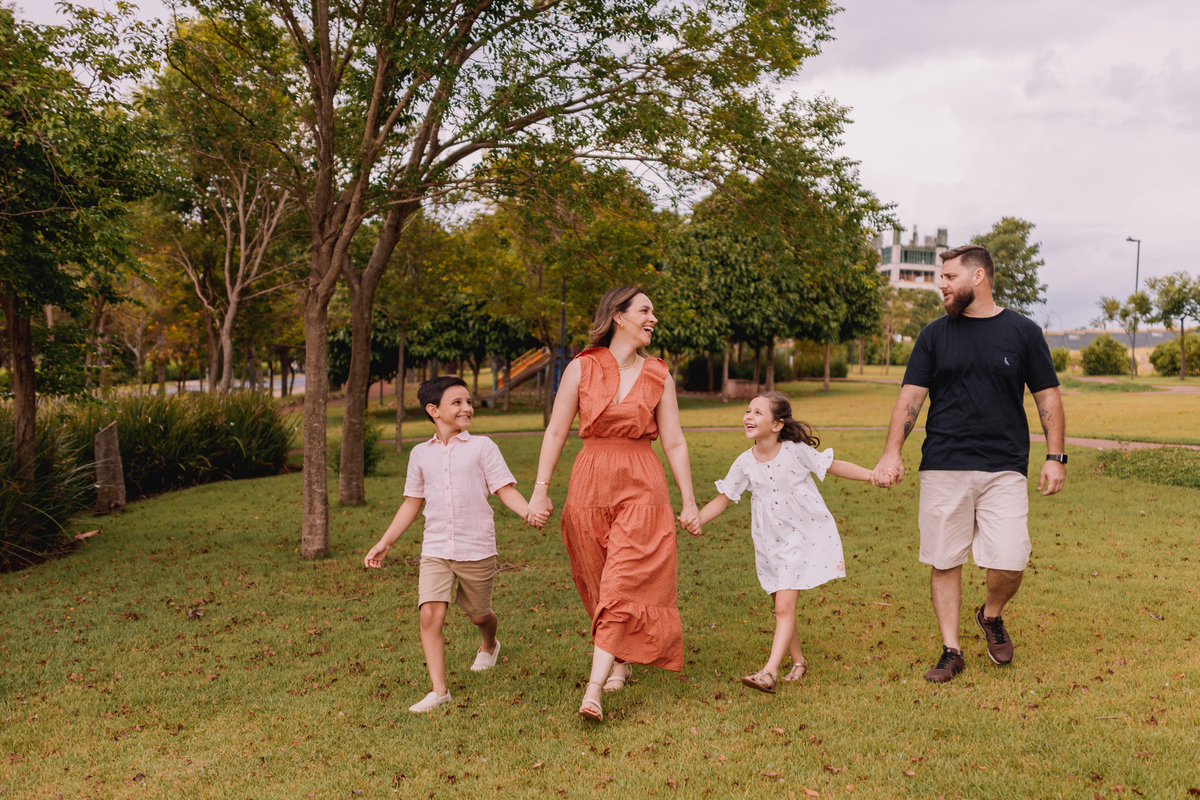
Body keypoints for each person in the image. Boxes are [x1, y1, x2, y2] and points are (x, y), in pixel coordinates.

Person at [872, 244, 1066, 683]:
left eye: (949, 276)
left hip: (1005, 466)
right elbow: (911, 398)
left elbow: (1047, 396)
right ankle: (951, 649)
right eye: (941, 277)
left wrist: (1055, 457)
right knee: (946, 559)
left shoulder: (1023, 333)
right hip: (944, 463)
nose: (941, 284)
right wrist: (891, 452)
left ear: (978, 277)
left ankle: (991, 614)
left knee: (1012, 560)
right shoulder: (934, 335)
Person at [527, 286, 702, 723]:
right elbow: (555, 432)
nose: (653, 318)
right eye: (645, 310)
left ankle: (593, 692)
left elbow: (675, 441)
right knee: (597, 580)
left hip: (642, 485)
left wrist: (690, 501)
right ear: (618, 316)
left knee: (623, 580)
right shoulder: (582, 368)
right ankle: (618, 658)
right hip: (589, 485)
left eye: (653, 312)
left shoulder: (659, 374)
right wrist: (540, 488)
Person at [364, 376, 536, 713]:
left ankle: (490, 644)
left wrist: (528, 511)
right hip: (436, 549)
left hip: (476, 548)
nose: (467, 408)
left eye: (468, 402)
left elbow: (504, 489)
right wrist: (385, 541)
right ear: (434, 410)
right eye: (457, 402)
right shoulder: (419, 454)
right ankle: (439, 691)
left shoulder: (483, 447)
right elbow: (412, 502)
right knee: (430, 614)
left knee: (478, 615)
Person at [697, 391, 879, 694]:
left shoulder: (795, 452)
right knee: (781, 606)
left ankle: (769, 672)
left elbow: (832, 466)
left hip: (801, 536)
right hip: (769, 542)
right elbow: (723, 499)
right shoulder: (744, 462)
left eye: (758, 412)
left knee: (783, 607)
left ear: (777, 424)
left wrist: (872, 475)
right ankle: (798, 662)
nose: (749, 416)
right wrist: (697, 520)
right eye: (747, 411)